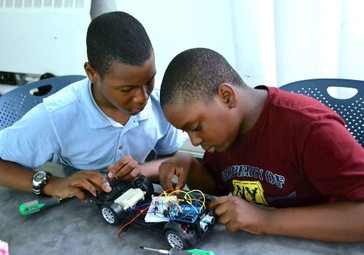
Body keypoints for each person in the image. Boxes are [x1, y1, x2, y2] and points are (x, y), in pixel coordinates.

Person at [158, 47, 364, 243]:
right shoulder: (223, 137)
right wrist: (192, 166)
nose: (194, 140)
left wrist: (266, 220)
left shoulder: (312, 129)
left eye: (195, 127)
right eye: (186, 132)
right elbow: (218, 190)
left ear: (226, 97)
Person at [0, 11, 187, 202]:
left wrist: (142, 171)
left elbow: (170, 159)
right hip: (79, 211)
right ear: (92, 73)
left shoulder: (161, 99)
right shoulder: (57, 116)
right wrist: (52, 184)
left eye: (149, 81)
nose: (142, 97)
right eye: (126, 89)